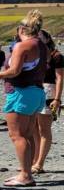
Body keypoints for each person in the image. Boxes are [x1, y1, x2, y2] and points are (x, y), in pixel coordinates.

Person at [0, 10, 48, 186]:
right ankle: (27, 170)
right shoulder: (41, 45)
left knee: (16, 135)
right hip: (37, 92)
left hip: (21, 93)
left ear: (22, 29)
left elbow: (15, 70)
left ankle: (25, 175)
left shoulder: (22, 46)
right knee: (28, 134)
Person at [33, 30, 64, 175]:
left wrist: (57, 98)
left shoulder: (56, 56)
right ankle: (34, 160)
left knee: (44, 129)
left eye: (40, 37)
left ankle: (39, 163)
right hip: (33, 90)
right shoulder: (34, 54)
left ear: (47, 38)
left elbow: (59, 78)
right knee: (33, 128)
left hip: (48, 90)